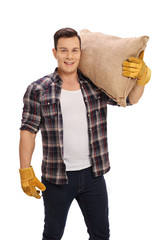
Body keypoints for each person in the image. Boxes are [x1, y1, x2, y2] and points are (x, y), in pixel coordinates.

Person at [19, 28, 151, 240]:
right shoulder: (38, 89)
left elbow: (130, 99)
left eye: (74, 50)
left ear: (81, 53)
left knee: (101, 234)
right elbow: (28, 130)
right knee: (52, 234)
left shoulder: (95, 86)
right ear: (55, 53)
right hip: (56, 179)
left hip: (93, 176)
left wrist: (143, 79)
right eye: (63, 50)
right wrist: (25, 170)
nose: (69, 56)